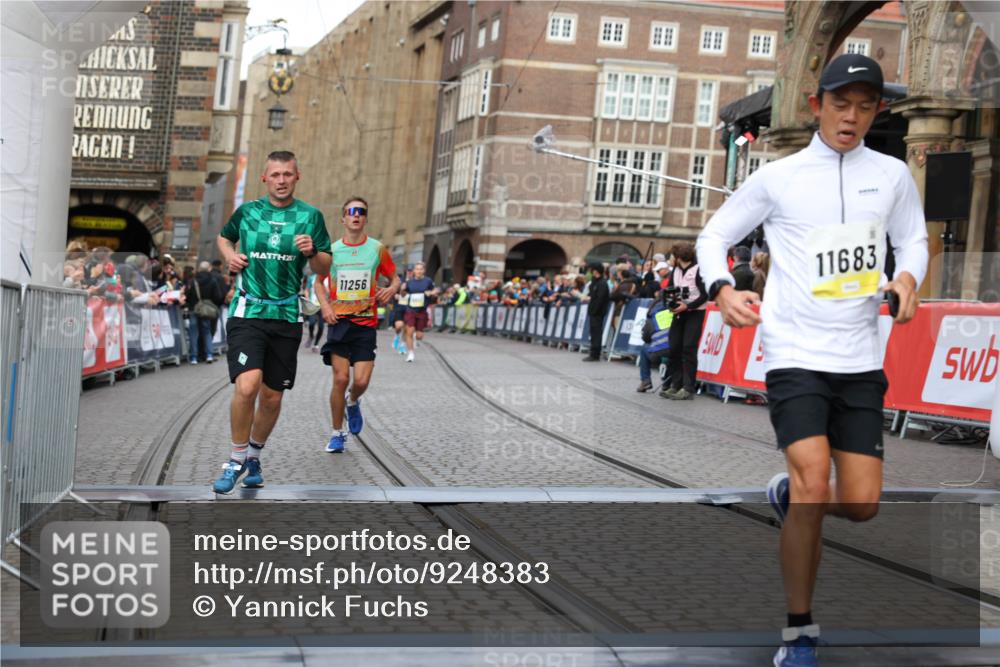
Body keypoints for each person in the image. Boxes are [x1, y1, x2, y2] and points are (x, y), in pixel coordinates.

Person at [695, 54, 927, 667]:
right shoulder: (780, 177)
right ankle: (799, 633)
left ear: (877, 111)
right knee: (811, 481)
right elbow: (713, 236)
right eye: (841, 104)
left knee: (862, 504)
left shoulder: (892, 175)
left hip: (860, 357)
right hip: (795, 352)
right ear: (816, 106)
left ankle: (789, 495)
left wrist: (906, 278)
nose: (851, 117)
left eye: (865, 107)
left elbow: (914, 239)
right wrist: (722, 288)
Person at [213, 150, 332, 494]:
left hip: (286, 316)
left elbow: (325, 267)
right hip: (248, 312)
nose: (281, 181)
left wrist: (312, 252)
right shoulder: (248, 212)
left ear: (297, 177)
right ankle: (235, 460)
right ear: (264, 178)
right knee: (247, 386)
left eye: (287, 174)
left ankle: (253, 456)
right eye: (275, 175)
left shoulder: (310, 216)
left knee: (271, 397)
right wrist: (230, 256)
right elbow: (224, 236)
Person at [314, 197, 399, 454]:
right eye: (351, 211)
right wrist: (326, 307)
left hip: (365, 324)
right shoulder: (332, 250)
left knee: (360, 381)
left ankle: (353, 401)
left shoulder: (377, 249)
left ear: (365, 218)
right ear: (343, 219)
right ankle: (337, 433)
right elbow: (318, 282)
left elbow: (395, 278)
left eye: (361, 211)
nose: (356, 215)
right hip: (339, 322)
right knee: (340, 378)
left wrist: (391, 289)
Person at [661, 242, 707, 400]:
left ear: (678, 257)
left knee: (688, 348)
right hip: (678, 313)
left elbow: (705, 295)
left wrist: (687, 306)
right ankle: (676, 384)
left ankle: (688, 387)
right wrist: (669, 302)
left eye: (673, 256)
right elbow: (670, 289)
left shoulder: (698, 269)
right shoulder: (676, 270)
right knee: (674, 347)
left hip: (695, 313)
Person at [186, 260, 222, 364]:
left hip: (194, 309)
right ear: (208, 269)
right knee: (207, 332)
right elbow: (217, 296)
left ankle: (194, 357)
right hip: (206, 309)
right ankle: (209, 355)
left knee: (193, 333)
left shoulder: (193, 281)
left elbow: (188, 296)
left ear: (199, 269)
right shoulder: (212, 281)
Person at [400, 261, 436, 362]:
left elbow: (435, 291)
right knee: (409, 331)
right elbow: (403, 295)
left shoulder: (428, 281)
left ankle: (416, 337)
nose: (419, 271)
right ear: (414, 271)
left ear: (424, 271)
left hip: (422, 311)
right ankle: (410, 353)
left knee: (419, 336)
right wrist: (402, 289)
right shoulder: (409, 282)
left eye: (421, 269)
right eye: (417, 269)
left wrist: (431, 292)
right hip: (411, 310)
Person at [582, 264, 609, 362]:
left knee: (596, 333)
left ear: (596, 271)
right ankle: (593, 352)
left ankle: (595, 354)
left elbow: (600, 299)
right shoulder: (595, 282)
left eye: (592, 270)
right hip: (593, 311)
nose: (591, 272)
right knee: (593, 332)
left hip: (598, 312)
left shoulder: (602, 283)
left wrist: (595, 310)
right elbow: (592, 294)